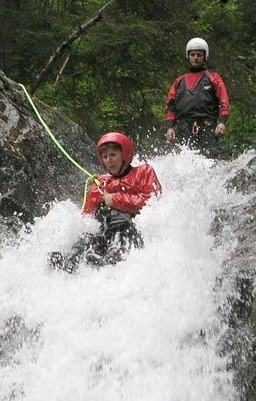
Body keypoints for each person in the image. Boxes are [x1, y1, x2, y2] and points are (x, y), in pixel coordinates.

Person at [50, 132, 162, 272]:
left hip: (129, 230)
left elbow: (152, 202)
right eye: (105, 157)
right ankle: (68, 262)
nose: (109, 160)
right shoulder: (100, 183)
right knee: (85, 242)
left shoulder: (143, 172)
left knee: (112, 252)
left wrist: (115, 199)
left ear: (125, 154)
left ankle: (104, 264)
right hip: (104, 232)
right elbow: (86, 218)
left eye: (113, 155)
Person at [164, 37, 230, 157]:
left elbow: (223, 102)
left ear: (205, 57)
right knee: (184, 159)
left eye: (199, 55)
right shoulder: (179, 81)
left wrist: (222, 122)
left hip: (207, 125)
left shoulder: (213, 78)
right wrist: (170, 127)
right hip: (183, 127)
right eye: (192, 54)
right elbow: (170, 106)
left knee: (211, 156)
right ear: (188, 56)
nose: (195, 57)